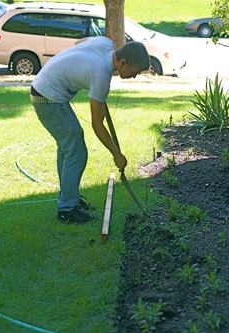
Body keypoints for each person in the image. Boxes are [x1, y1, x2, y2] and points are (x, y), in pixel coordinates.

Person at [30, 36, 150, 223]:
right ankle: (67, 209)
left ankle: (70, 198)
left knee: (68, 148)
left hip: (45, 88)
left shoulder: (105, 42)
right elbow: (97, 125)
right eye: (135, 72)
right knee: (76, 152)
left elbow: (80, 43)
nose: (134, 76)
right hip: (48, 98)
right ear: (123, 62)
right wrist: (116, 154)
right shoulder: (101, 74)